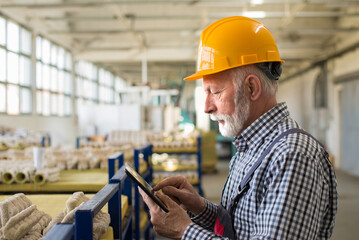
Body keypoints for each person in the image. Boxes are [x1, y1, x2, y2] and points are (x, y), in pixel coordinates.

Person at [139, 16, 338, 239]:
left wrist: (184, 231)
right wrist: (199, 207)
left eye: (215, 92)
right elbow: (243, 227)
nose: (206, 108)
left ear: (251, 87)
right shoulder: (250, 147)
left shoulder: (292, 156)